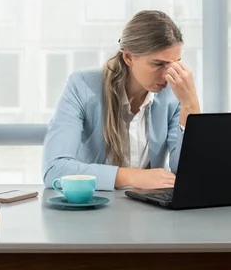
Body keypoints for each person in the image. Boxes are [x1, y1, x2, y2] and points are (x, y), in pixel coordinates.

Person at [42, 10, 201, 191]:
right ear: (128, 57)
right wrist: (132, 177)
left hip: (150, 210)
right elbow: (54, 169)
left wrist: (191, 105)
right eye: (158, 64)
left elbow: (187, 172)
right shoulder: (82, 86)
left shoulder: (173, 95)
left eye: (174, 64)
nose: (167, 74)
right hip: (94, 208)